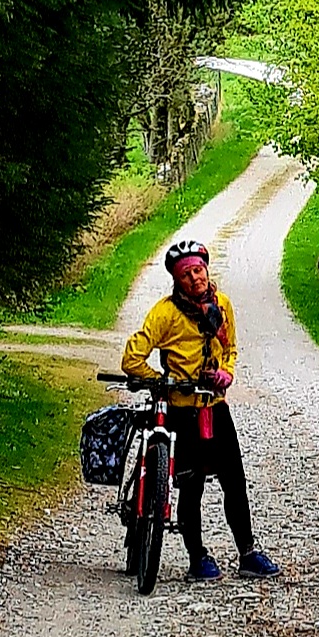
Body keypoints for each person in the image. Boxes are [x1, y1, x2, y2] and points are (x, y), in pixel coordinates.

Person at [120, 239, 279, 583]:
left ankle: (248, 553)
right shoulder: (166, 313)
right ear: (176, 281)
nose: (195, 278)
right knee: (190, 488)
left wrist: (227, 372)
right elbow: (132, 358)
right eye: (186, 274)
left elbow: (231, 347)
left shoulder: (222, 305)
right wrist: (162, 380)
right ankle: (197, 557)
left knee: (234, 482)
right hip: (182, 411)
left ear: (206, 269)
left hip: (216, 407)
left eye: (198, 270)